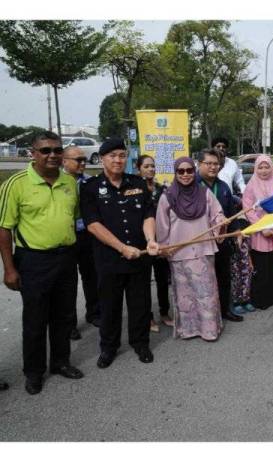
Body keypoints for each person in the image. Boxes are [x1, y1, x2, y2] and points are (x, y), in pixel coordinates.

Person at [0, 131, 83, 395]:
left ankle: (60, 362)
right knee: (35, 319)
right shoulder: (16, 183)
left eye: (57, 150)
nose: (52, 155)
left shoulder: (70, 182)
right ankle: (34, 372)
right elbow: (4, 229)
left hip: (66, 258)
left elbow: (75, 218)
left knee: (64, 315)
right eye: (45, 150)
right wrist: (9, 268)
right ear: (32, 153)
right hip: (33, 260)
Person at [80, 138, 159, 369]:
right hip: (109, 260)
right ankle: (108, 348)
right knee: (109, 306)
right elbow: (93, 224)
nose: (118, 160)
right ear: (102, 158)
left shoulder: (138, 183)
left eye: (122, 155)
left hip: (139, 258)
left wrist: (151, 240)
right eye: (112, 155)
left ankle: (140, 343)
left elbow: (148, 216)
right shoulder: (91, 188)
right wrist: (122, 248)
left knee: (140, 304)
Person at [156, 157, 226, 340]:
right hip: (179, 253)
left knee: (206, 293)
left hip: (204, 250)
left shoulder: (205, 194)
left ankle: (209, 331)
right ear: (176, 173)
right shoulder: (167, 197)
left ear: (193, 172)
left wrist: (220, 221)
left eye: (189, 170)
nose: (186, 174)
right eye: (181, 171)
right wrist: (164, 247)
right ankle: (189, 330)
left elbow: (217, 214)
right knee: (185, 295)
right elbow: (162, 227)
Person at [197, 149, 245, 322]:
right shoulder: (191, 185)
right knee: (202, 279)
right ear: (199, 164)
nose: (212, 167)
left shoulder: (223, 186)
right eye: (208, 163)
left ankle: (225, 310)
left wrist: (237, 232)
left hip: (222, 241)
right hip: (200, 242)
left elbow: (231, 212)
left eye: (216, 164)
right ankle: (205, 315)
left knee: (223, 276)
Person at [62, 145, 100, 341]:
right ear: (65, 161)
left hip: (87, 236)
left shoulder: (88, 183)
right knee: (68, 283)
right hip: (67, 238)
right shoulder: (58, 183)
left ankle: (94, 313)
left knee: (91, 277)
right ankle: (69, 325)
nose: (83, 163)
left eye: (84, 159)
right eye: (78, 160)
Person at [242, 155, 273, 309]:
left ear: (272, 167)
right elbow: (248, 210)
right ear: (255, 169)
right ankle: (261, 300)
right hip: (260, 233)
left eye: (266, 166)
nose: (263, 170)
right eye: (260, 167)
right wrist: (263, 228)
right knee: (262, 268)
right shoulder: (251, 185)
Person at [136, 155, 173, 333]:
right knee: (143, 283)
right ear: (138, 169)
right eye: (146, 166)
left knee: (162, 280)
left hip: (162, 241)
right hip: (142, 243)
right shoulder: (133, 189)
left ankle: (164, 313)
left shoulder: (162, 189)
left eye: (152, 166)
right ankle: (148, 317)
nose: (150, 169)